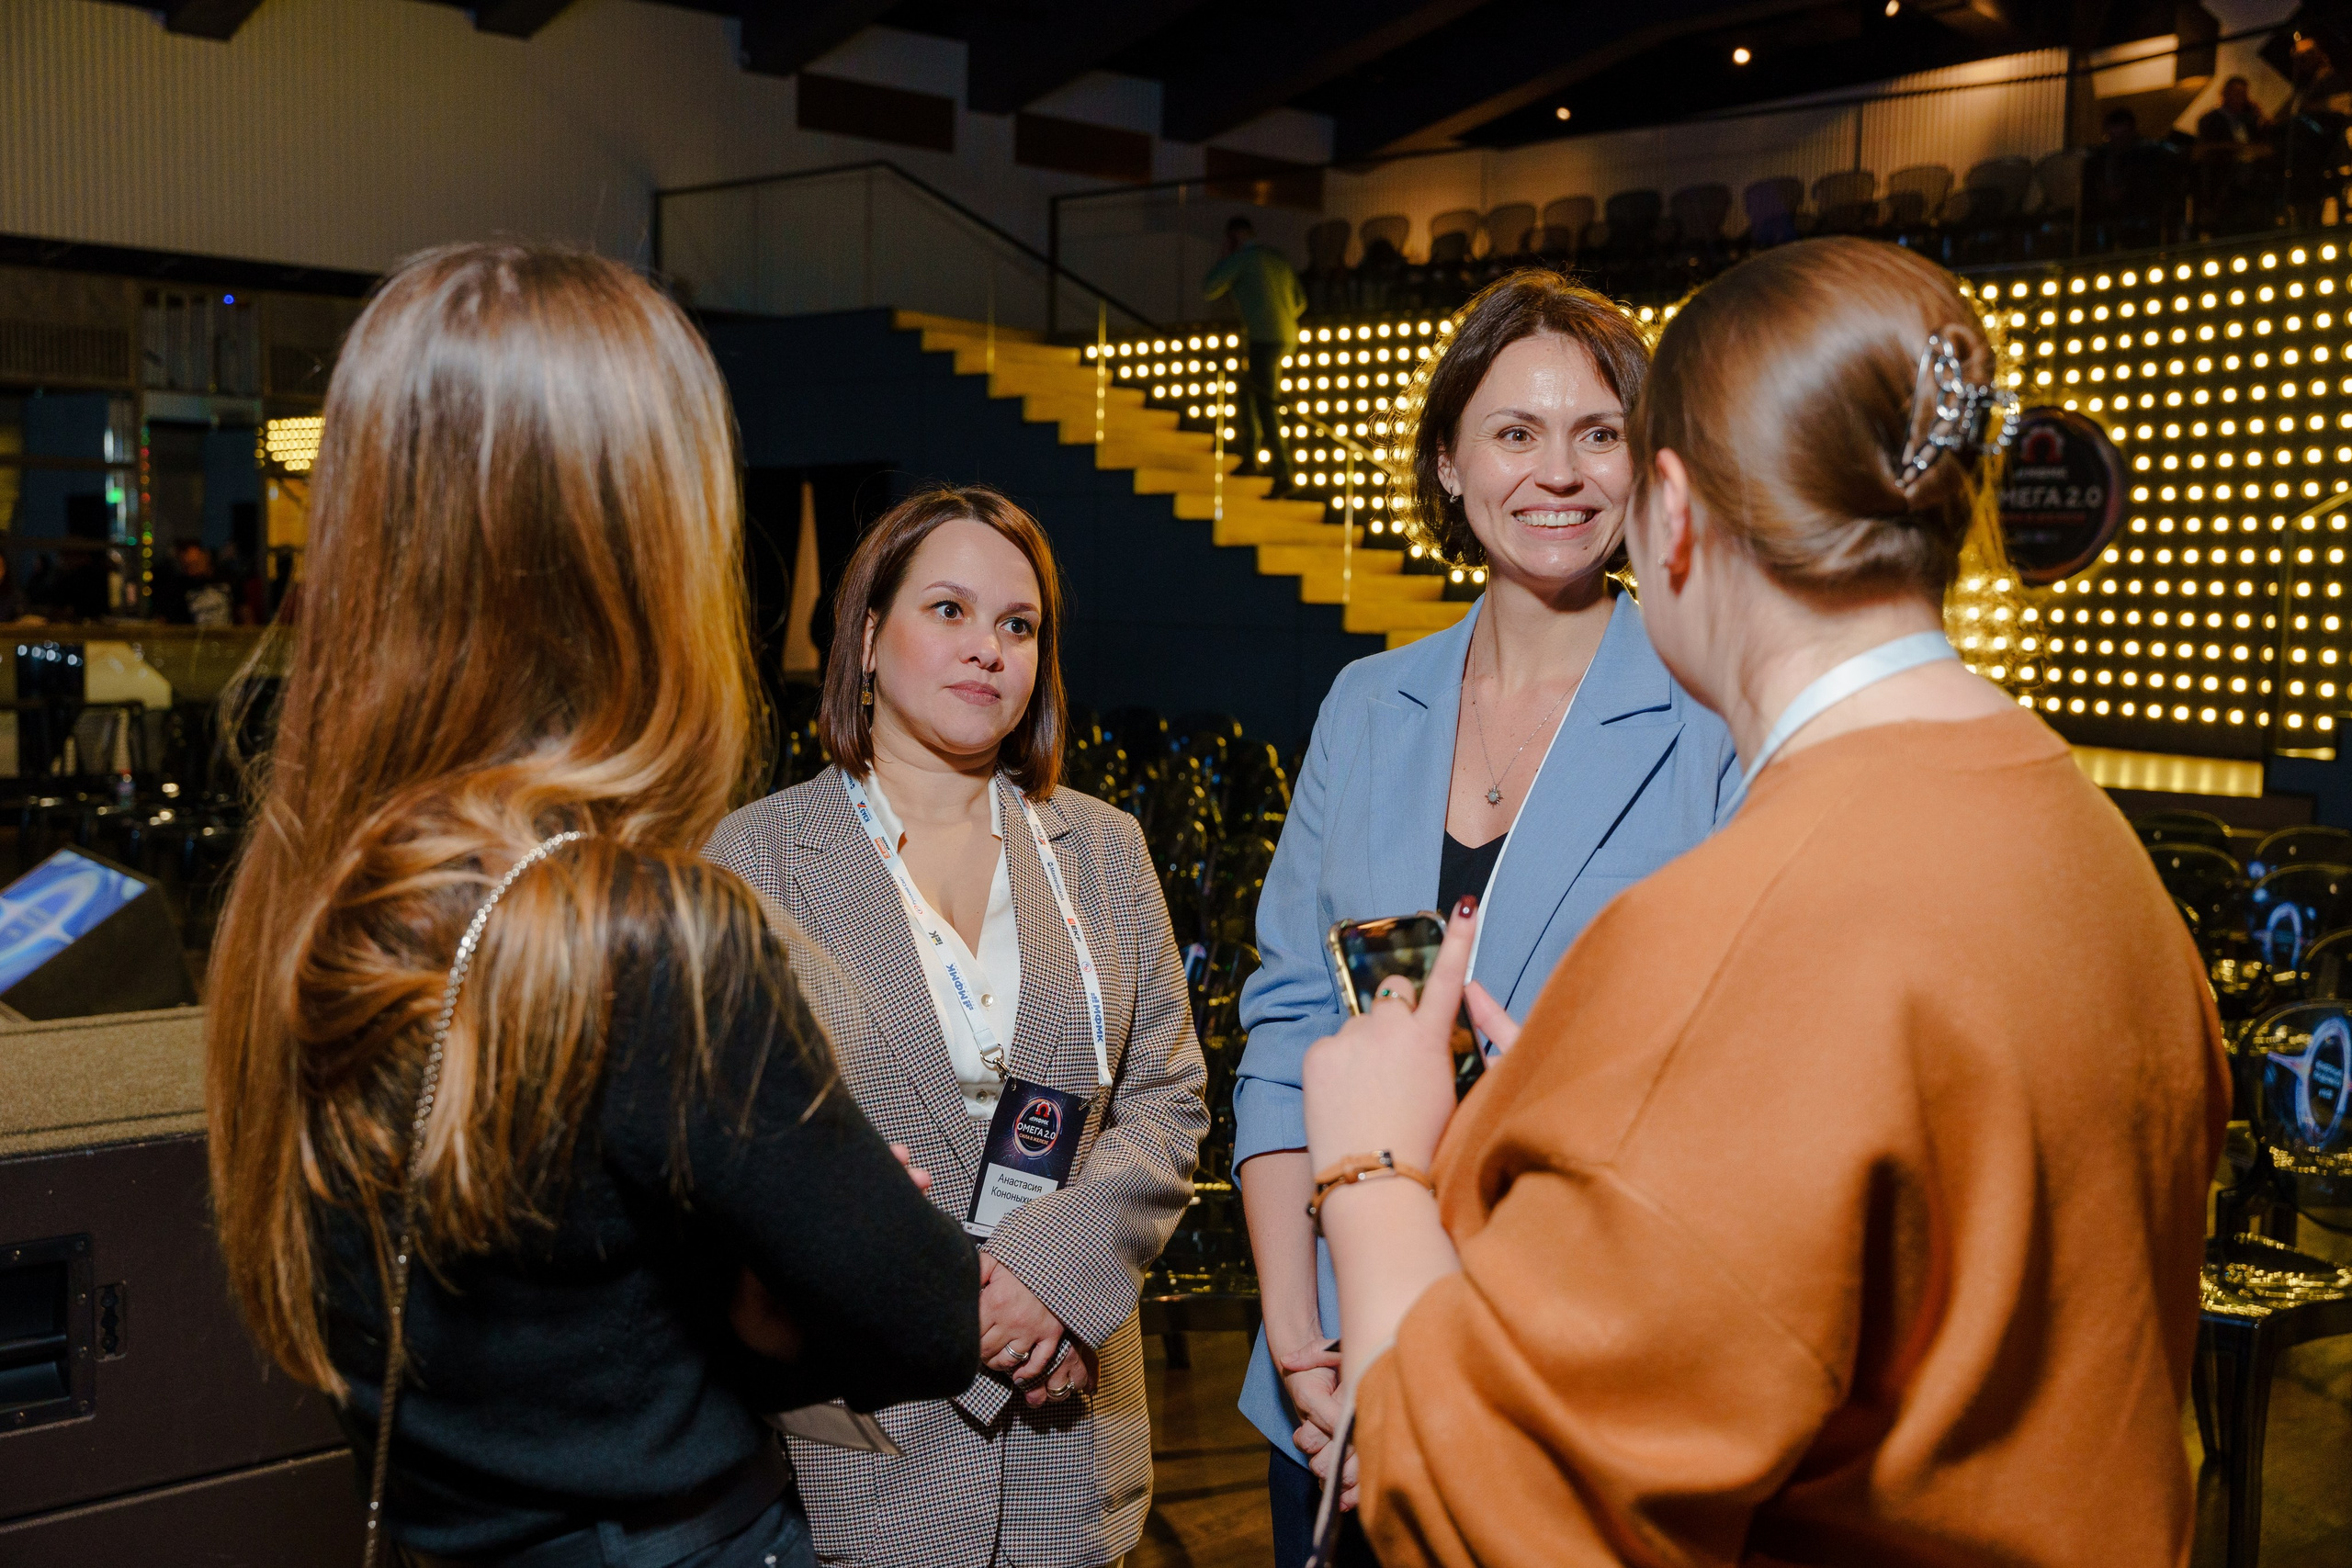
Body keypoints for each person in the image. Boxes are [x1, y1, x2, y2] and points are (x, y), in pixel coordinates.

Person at [1298, 236, 2231, 1564]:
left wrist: (1375, 1163)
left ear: (1666, 508)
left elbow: (1482, 1506)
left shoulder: (1731, 929)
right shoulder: (2087, 837)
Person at [204, 244, 981, 1568]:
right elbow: (930, 1314)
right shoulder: (646, 935)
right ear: (637, 548)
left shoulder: (306, 890)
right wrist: (765, 1283)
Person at [1232, 269, 1737, 1568]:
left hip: (1568, 1367)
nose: (1556, 472)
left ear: (1646, 466)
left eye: (1598, 432)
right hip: (1333, 1358)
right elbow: (1294, 1015)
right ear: (1450, 463)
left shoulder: (1712, 720)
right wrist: (1299, 1330)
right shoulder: (1366, 702)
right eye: (1515, 432)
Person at [707, 484, 1209, 1568]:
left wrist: (1051, 1280)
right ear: (870, 638)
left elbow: (1170, 1099)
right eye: (948, 611)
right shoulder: (753, 861)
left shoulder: (1104, 849)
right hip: (870, 1449)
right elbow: (727, 1155)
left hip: (1069, 1431)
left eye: (1016, 625)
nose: (987, 648)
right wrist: (950, 1304)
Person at [1205, 216, 1307, 495]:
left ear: (1235, 236)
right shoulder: (1277, 258)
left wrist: (1225, 258)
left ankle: (1283, 473)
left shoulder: (1243, 259)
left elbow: (1210, 288)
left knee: (1265, 404)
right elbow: (1300, 301)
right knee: (1249, 393)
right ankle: (1252, 457)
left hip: (1263, 339)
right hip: (1287, 335)